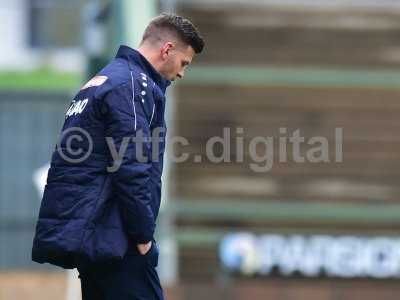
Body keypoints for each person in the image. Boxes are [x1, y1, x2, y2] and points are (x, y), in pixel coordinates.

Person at [31, 13, 204, 300]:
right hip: (115, 237)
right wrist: (143, 237)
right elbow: (132, 166)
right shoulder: (134, 85)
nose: (182, 72)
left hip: (90, 235)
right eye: (184, 63)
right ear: (167, 50)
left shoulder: (100, 81)